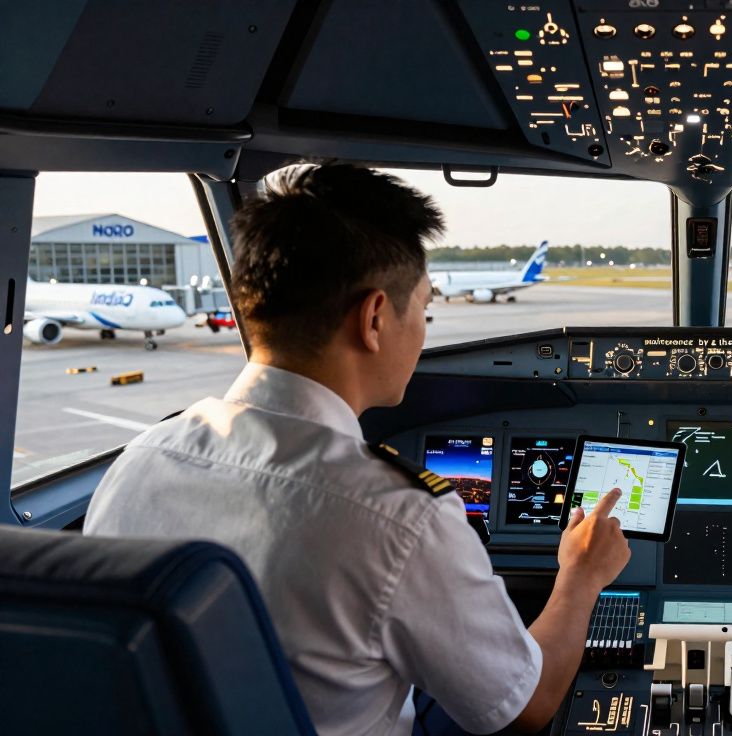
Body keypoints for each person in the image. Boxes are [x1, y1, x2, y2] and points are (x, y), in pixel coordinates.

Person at [84, 163, 632, 736]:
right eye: (423, 310)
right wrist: (581, 574)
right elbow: (527, 707)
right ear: (374, 318)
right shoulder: (399, 516)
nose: (424, 331)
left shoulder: (141, 459)